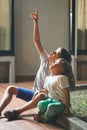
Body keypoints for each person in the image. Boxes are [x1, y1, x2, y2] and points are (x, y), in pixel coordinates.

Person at [0, 9, 75, 120]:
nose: (52, 52)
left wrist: (44, 92)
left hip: (45, 98)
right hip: (34, 93)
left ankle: (17, 112)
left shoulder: (58, 73)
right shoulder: (45, 59)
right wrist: (36, 22)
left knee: (41, 96)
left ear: (61, 61)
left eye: (56, 53)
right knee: (10, 88)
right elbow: (37, 41)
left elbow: (57, 93)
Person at [34, 58, 71, 123]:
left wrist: (67, 108)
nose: (52, 62)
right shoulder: (48, 78)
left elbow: (67, 93)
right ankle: (42, 114)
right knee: (41, 104)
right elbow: (46, 91)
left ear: (62, 69)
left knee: (51, 107)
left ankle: (44, 118)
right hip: (51, 100)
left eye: (56, 63)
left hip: (60, 103)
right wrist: (39, 91)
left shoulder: (62, 78)